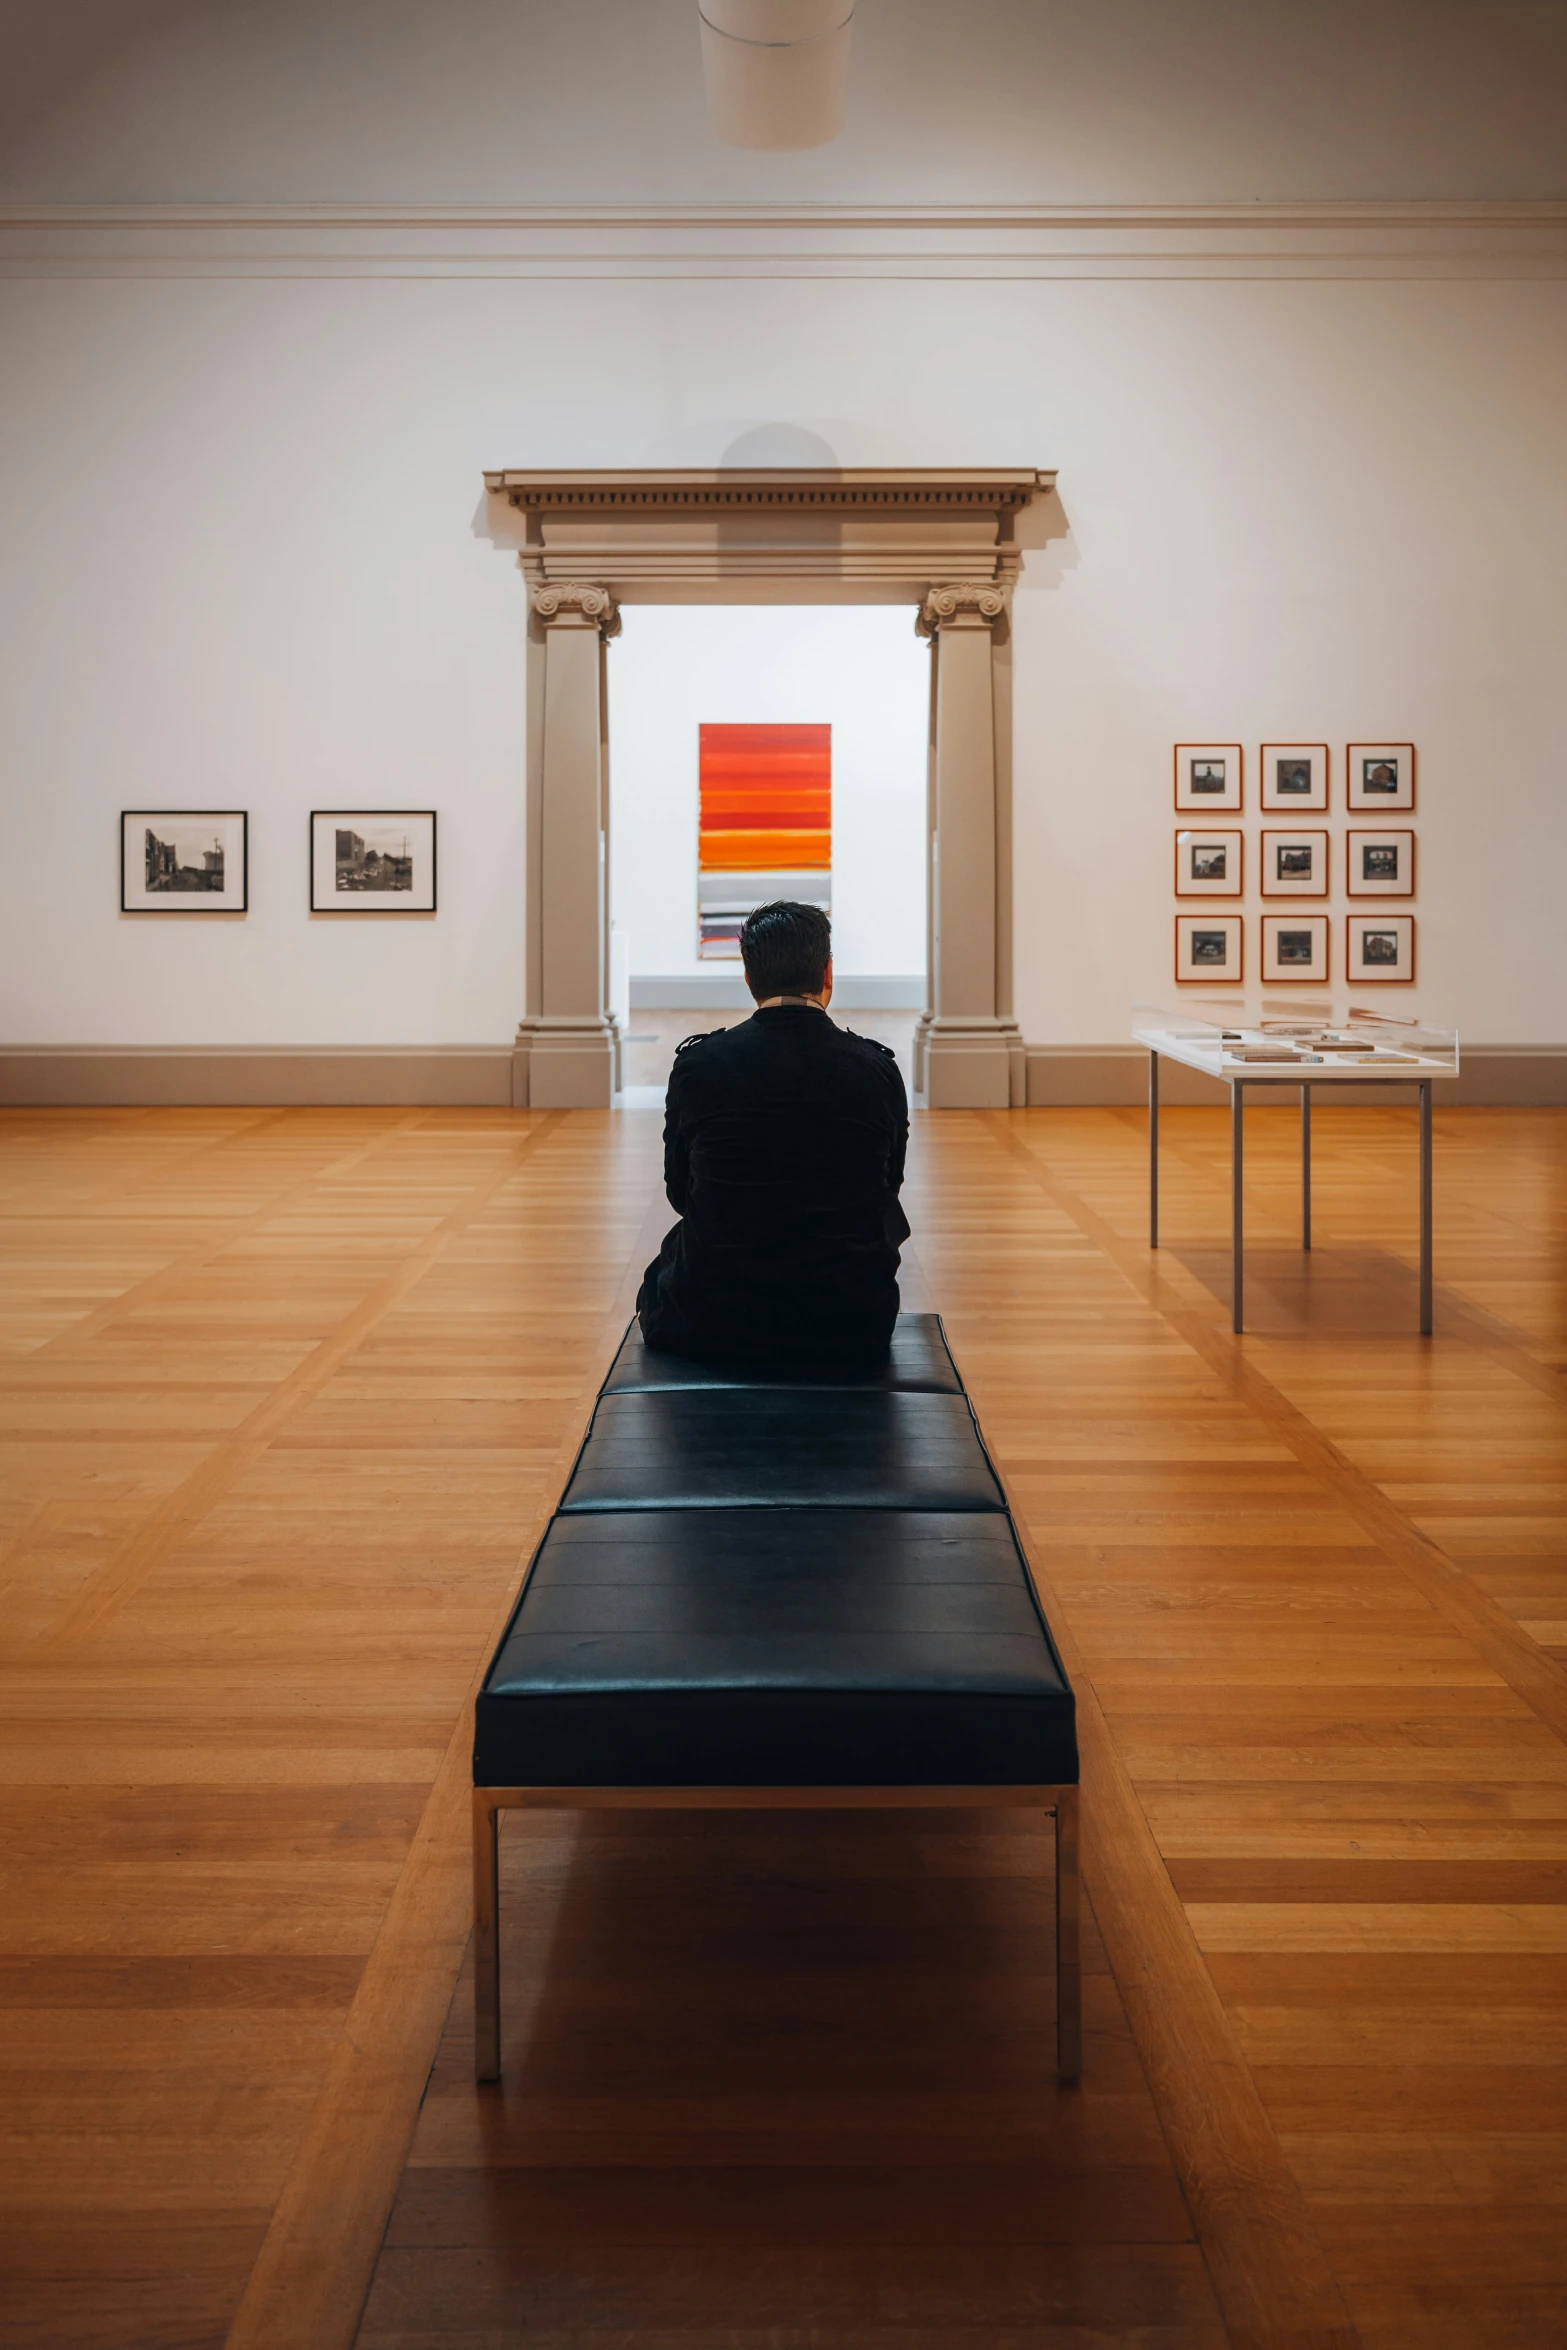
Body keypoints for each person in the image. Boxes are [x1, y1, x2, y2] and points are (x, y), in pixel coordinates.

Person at [636, 900, 910, 1371]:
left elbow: (681, 1194)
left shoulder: (699, 1065)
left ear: (748, 977)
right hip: (851, 1323)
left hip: (709, 1319)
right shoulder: (876, 1069)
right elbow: (887, 1190)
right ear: (827, 973)